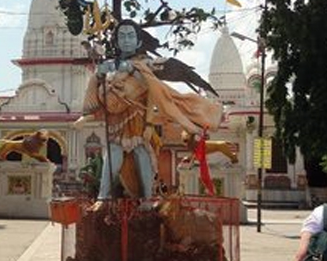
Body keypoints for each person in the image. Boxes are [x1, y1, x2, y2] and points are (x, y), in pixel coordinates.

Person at [76, 19, 221, 202]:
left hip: (139, 119)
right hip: (115, 120)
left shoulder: (146, 64)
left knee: (140, 153)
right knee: (113, 154)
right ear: (116, 41)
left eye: (130, 36)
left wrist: (150, 123)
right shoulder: (110, 66)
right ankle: (103, 198)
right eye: (121, 36)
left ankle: (147, 199)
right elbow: (101, 91)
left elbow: (154, 93)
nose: (126, 40)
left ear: (138, 41)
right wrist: (99, 75)